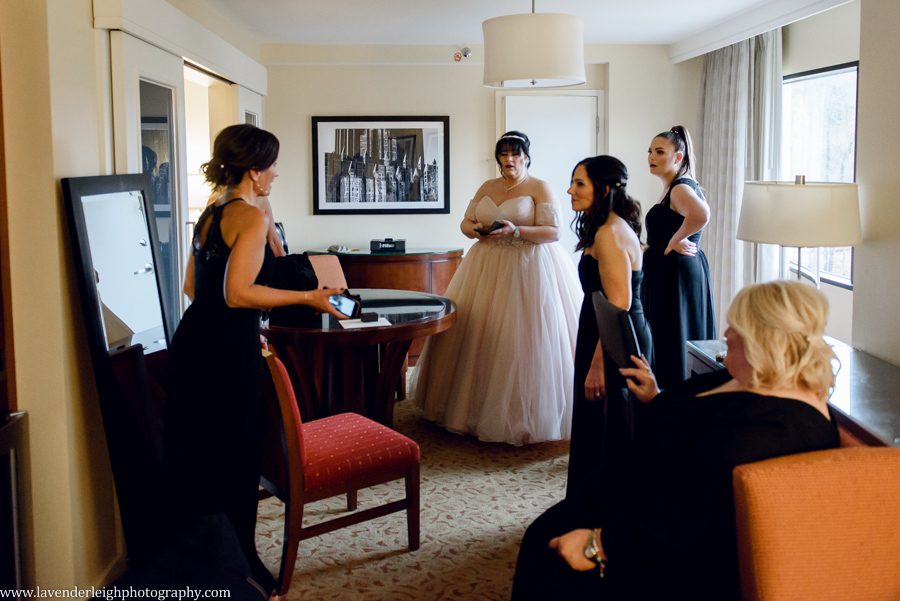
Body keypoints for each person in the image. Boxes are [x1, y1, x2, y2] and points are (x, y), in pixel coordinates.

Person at [511, 280, 840, 601]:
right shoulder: (753, 377)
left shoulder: (779, 428)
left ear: (764, 339)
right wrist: (657, 396)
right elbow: (697, 416)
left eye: (736, 328)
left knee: (546, 554)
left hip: (658, 546)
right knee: (543, 534)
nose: (725, 335)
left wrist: (601, 544)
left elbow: (694, 516)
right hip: (631, 498)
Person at [163, 123, 345, 593]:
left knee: (199, 455)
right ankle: (240, 564)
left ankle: (206, 560)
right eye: (273, 166)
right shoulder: (249, 217)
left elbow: (192, 287)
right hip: (226, 350)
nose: (276, 174)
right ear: (254, 170)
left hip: (192, 342)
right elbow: (239, 293)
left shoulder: (211, 211)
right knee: (238, 457)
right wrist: (309, 297)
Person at [411, 131, 580, 445]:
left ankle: (523, 416)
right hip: (485, 265)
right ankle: (466, 410)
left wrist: (516, 231)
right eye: (503, 154)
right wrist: (475, 229)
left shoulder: (539, 187)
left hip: (528, 267)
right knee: (478, 334)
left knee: (523, 340)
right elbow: (464, 222)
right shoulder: (487, 187)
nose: (509, 160)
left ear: (526, 156)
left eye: (515, 154)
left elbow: (554, 232)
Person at [565, 156, 653, 497]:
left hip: (617, 338)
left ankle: (604, 511)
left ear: (603, 188)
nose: (570, 190)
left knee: (608, 425)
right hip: (603, 329)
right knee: (595, 423)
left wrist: (598, 365)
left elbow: (620, 304)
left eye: (579, 183)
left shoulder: (610, 233)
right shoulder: (603, 227)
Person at [642, 125, 716, 389]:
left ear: (678, 158)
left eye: (660, 152)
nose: (651, 156)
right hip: (675, 273)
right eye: (650, 151)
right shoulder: (675, 187)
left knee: (673, 338)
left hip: (676, 276)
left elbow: (702, 214)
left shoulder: (680, 188)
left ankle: (672, 402)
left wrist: (675, 239)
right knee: (673, 338)